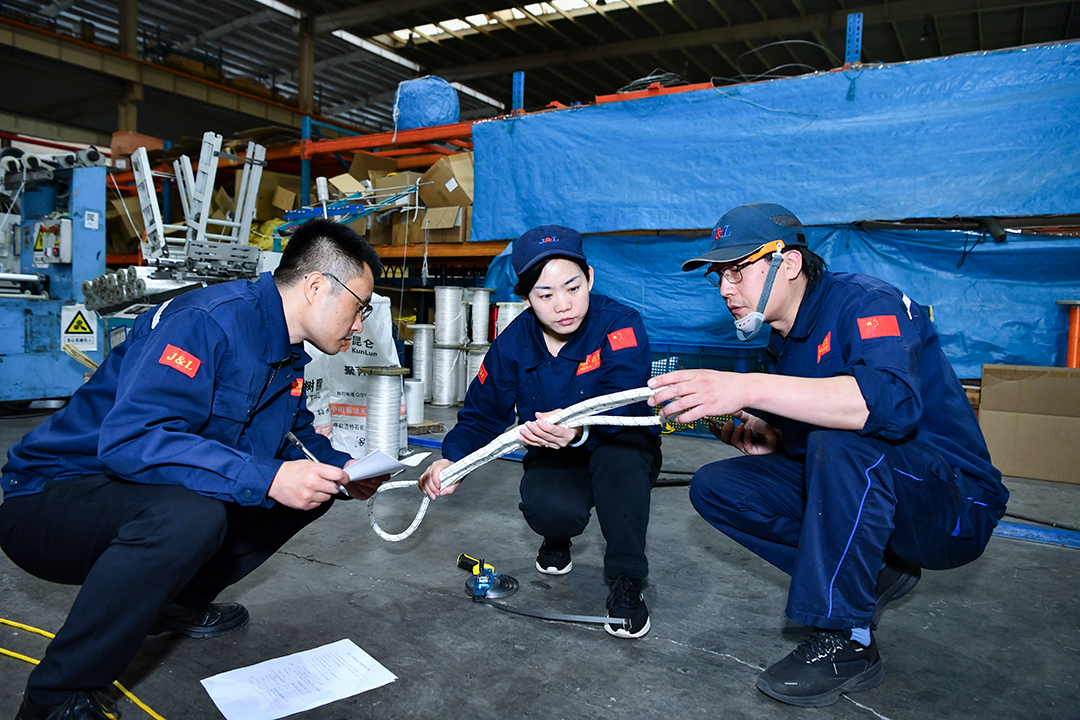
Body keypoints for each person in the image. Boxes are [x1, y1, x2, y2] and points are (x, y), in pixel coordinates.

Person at [0, 219, 389, 720]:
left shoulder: (284, 352)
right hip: (50, 496)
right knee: (192, 515)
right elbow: (132, 440)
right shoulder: (206, 321)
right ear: (316, 286)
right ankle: (55, 697)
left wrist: (346, 469)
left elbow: (295, 436)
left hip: (134, 492)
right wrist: (268, 477)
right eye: (360, 307)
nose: (359, 325)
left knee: (313, 487)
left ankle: (175, 602)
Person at [647, 203, 1008, 707]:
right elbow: (820, 442)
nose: (726, 288)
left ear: (789, 263)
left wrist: (746, 386)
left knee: (840, 439)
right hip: (883, 488)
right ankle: (875, 573)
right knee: (718, 487)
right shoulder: (784, 342)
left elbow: (889, 406)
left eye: (737, 270)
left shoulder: (867, 303)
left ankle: (846, 641)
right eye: (719, 276)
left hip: (954, 505)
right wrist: (774, 438)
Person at [419, 225, 662, 638]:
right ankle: (556, 536)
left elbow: (625, 403)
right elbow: (481, 414)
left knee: (621, 466)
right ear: (525, 298)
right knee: (548, 506)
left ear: (590, 278)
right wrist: (452, 461)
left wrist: (580, 431)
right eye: (545, 295)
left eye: (573, 288)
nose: (563, 305)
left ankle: (627, 579)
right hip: (556, 452)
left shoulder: (620, 325)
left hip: (618, 443)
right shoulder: (513, 343)